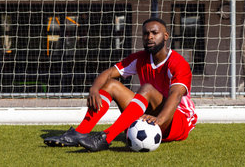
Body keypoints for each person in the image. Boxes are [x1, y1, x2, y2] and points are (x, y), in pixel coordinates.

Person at [44, 17, 197, 152]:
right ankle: (80, 132)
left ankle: (106, 138)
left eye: (154, 33)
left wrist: (161, 120)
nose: (149, 37)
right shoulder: (140, 58)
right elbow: (110, 73)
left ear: (165, 36)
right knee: (110, 84)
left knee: (147, 89)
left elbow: (176, 95)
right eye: (145, 34)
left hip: (178, 120)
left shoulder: (178, 63)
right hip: (153, 114)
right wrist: (94, 88)